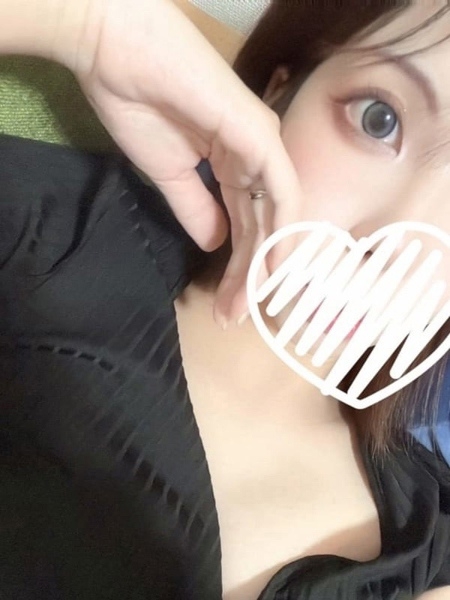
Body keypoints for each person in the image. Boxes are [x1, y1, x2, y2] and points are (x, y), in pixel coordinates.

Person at [0, 1, 450, 600]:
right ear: (278, 93)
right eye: (379, 119)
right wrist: (86, 24)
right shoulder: (56, 235)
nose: (390, 246)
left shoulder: (429, 541)